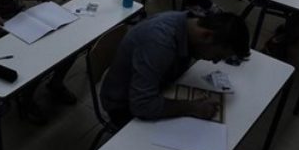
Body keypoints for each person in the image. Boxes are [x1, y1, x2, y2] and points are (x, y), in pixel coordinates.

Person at [100, 11, 250, 128]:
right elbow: (142, 105)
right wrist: (191, 107)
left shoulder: (189, 22)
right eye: (217, 56)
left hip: (154, 88)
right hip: (123, 105)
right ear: (206, 35)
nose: (215, 62)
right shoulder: (159, 42)